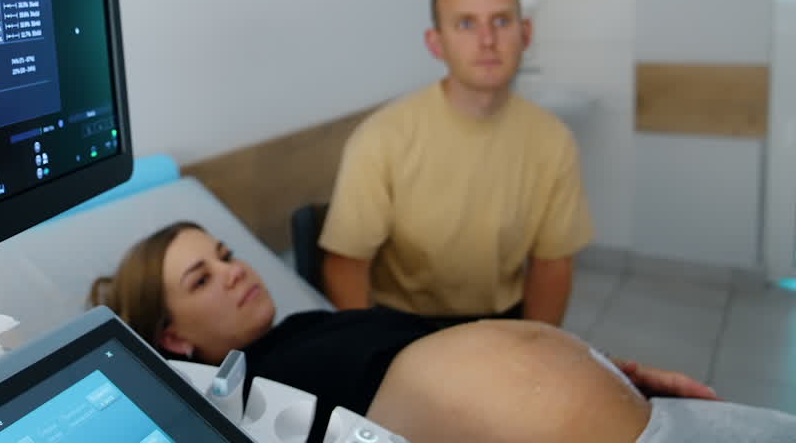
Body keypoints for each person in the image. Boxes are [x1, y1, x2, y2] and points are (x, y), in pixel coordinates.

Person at [90, 221, 796, 443]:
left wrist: (617, 367)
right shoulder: (241, 405)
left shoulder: (309, 325)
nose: (234, 270)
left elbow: (463, 339)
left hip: (645, 414)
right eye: (202, 280)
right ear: (174, 339)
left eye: (226, 253)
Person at [320, 0, 591, 327]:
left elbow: (552, 265)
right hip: (403, 325)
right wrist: (373, 353)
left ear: (525, 34)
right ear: (436, 43)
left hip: (502, 323)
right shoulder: (382, 139)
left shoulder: (553, 141)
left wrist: (535, 349)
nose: (487, 41)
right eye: (465, 23)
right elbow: (345, 267)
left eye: (501, 21)